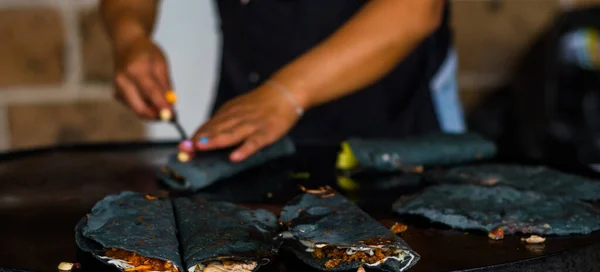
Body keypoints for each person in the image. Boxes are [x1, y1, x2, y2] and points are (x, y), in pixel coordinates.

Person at [100, 0, 465, 162]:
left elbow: (416, 9)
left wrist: (287, 93)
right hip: (251, 102)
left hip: (393, 117)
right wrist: (130, 36)